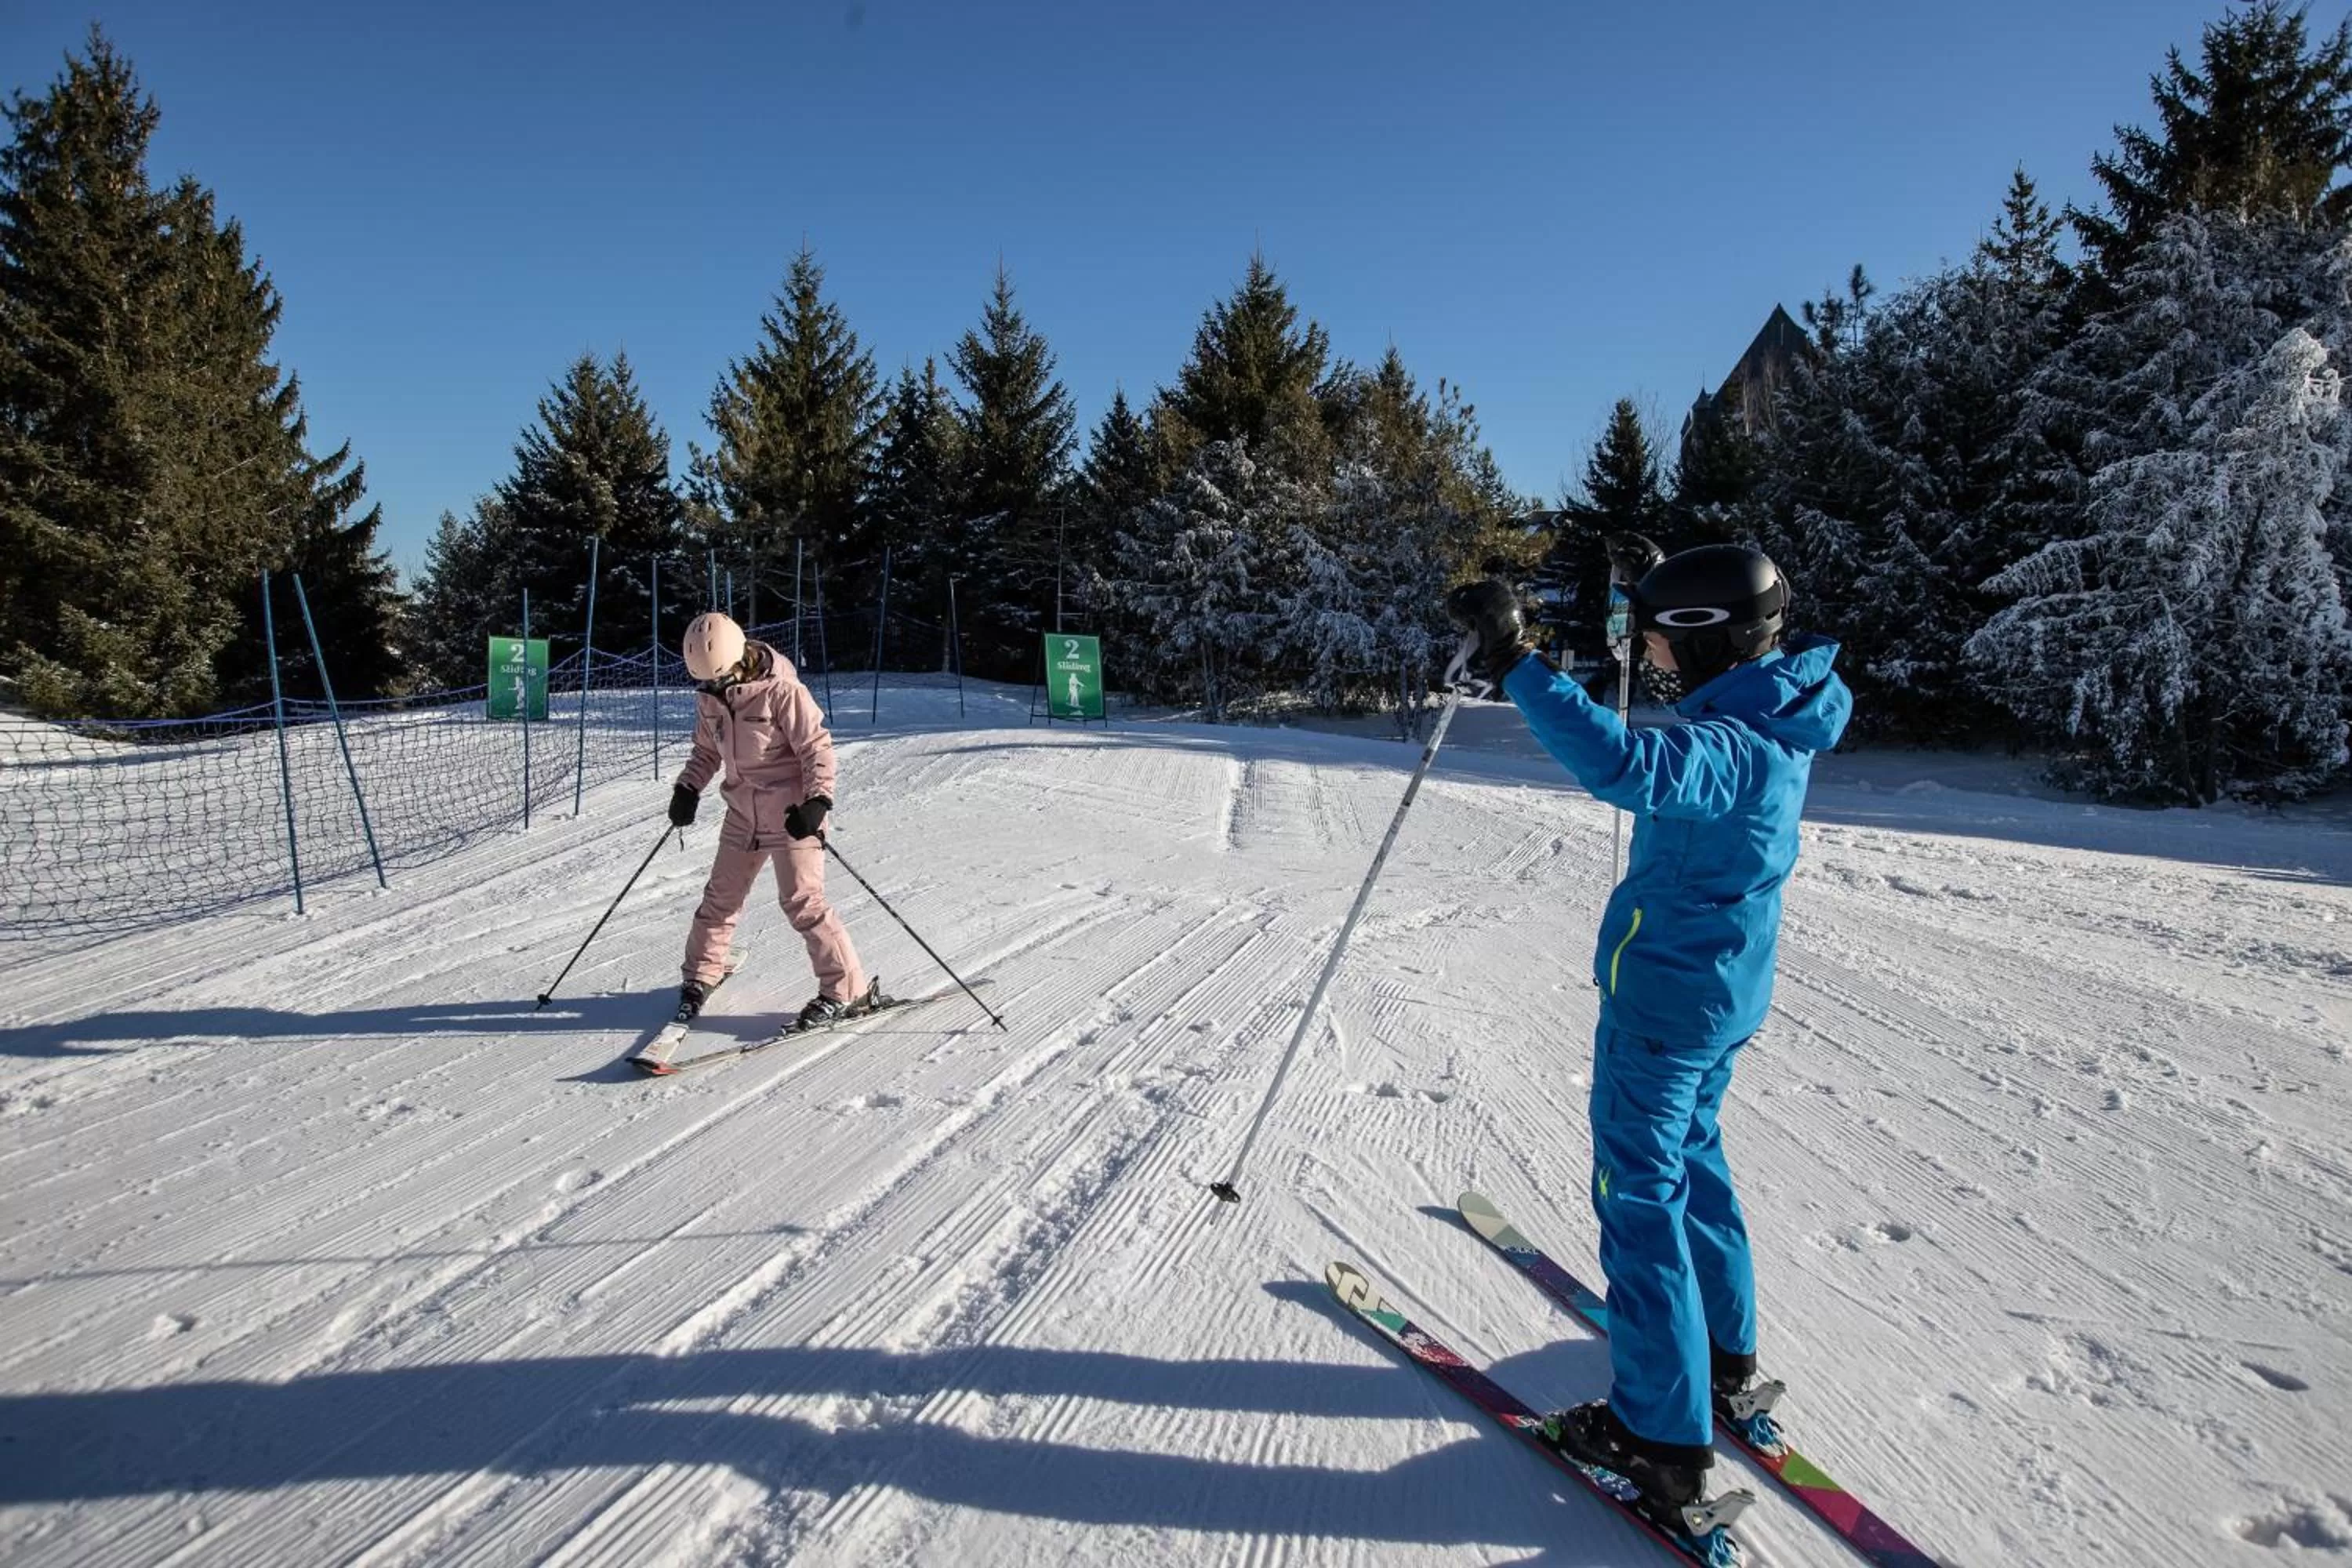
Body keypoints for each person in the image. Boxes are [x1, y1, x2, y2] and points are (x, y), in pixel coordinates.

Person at [1443, 540, 1851, 1528]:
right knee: (1694, 1162)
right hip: (1716, 1000)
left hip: (1665, 1010)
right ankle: (1720, 1354)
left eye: (1664, 640)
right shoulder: (1770, 713)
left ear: (1713, 640)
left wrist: (1513, 659)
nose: (1652, 658)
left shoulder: (1733, 747)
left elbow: (1628, 763)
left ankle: (1657, 1438)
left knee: (1639, 1194)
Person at [668, 611, 877, 1033]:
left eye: (719, 680)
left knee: (803, 902)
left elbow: (815, 747)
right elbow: (708, 751)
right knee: (720, 898)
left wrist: (817, 801)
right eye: (705, 684)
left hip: (791, 814)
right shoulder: (710, 695)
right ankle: (702, 972)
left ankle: (846, 990)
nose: (712, 690)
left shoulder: (782, 691)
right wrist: (688, 787)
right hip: (742, 812)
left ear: (738, 660)